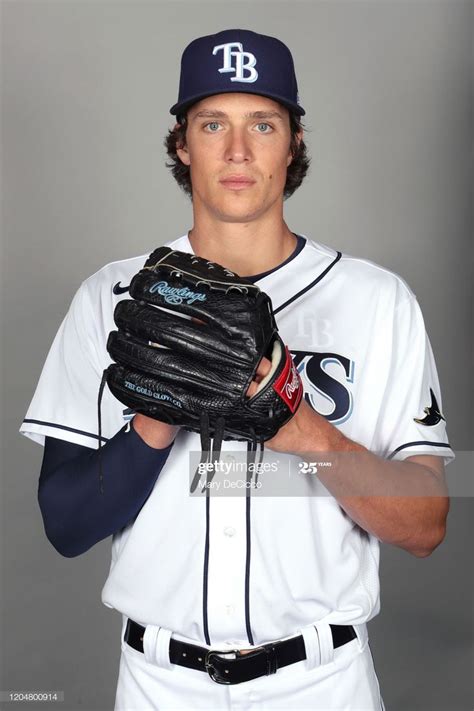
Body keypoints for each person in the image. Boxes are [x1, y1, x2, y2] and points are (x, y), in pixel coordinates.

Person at [20, 28, 454, 710]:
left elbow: (426, 523)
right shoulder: (112, 296)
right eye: (214, 122)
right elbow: (65, 524)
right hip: (160, 685)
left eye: (264, 123)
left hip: (322, 684)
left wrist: (308, 434)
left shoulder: (376, 301)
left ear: (294, 142)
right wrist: (156, 419)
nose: (238, 150)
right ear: (181, 141)